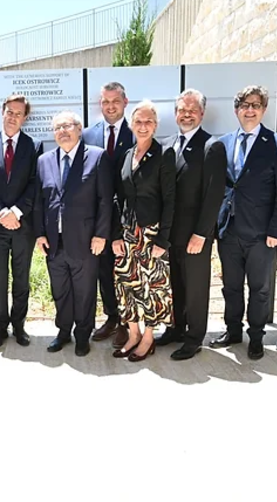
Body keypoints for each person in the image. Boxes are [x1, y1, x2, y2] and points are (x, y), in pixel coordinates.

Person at [212, 85, 277, 360]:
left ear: (263, 110)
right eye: (245, 105)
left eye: (255, 105)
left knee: (259, 289)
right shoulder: (223, 143)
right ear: (236, 110)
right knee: (231, 286)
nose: (250, 110)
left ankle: (256, 336)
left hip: (261, 233)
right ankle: (233, 330)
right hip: (229, 230)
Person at [34, 111, 112, 357]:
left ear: (79, 129)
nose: (63, 131)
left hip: (86, 240)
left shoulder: (97, 157)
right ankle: (63, 332)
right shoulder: (44, 160)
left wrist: (101, 235)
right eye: (57, 127)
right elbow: (38, 201)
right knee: (60, 290)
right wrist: (40, 234)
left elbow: (105, 200)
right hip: (54, 242)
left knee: (85, 291)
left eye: (67, 126)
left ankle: (82, 335)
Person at [156, 89, 226, 361]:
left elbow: (214, 195)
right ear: (175, 114)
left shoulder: (212, 146)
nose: (186, 114)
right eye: (182, 110)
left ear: (202, 113)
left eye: (192, 110)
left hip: (196, 234)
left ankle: (194, 337)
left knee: (196, 288)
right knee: (174, 285)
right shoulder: (168, 144)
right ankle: (175, 328)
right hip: (170, 234)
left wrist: (202, 233)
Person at [0, 94, 44, 350]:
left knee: (21, 277)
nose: (13, 116)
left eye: (18, 113)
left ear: (24, 118)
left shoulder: (33, 146)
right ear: (2, 112)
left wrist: (16, 211)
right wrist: (1, 213)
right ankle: (0, 327)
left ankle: (19, 325)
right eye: (9, 111)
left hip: (23, 225)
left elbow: (35, 183)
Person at [111, 100, 176, 362]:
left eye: (149, 121)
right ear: (130, 124)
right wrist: (116, 233)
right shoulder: (127, 155)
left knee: (151, 288)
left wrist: (164, 239)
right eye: (138, 121)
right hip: (127, 233)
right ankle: (133, 333)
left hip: (152, 233)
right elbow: (120, 198)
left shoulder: (164, 154)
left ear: (156, 125)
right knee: (126, 285)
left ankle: (148, 338)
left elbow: (170, 200)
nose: (143, 126)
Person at [82, 81, 135, 348]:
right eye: (105, 101)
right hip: (99, 217)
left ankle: (129, 323)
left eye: (115, 101)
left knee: (127, 272)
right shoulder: (88, 135)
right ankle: (112, 317)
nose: (110, 106)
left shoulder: (137, 132)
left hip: (129, 216)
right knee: (104, 270)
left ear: (125, 102)